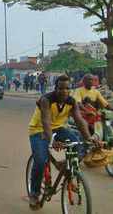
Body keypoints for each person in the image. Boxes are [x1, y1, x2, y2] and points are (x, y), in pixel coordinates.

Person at [28, 74, 95, 210]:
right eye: (60, 88)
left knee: (79, 145)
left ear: (69, 89)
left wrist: (89, 138)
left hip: (58, 128)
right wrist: (52, 140)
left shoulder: (71, 101)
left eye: (67, 88)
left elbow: (79, 121)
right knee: (40, 160)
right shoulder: (46, 99)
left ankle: (65, 167)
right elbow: (46, 121)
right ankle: (34, 193)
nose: (64, 91)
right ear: (55, 88)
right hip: (39, 130)